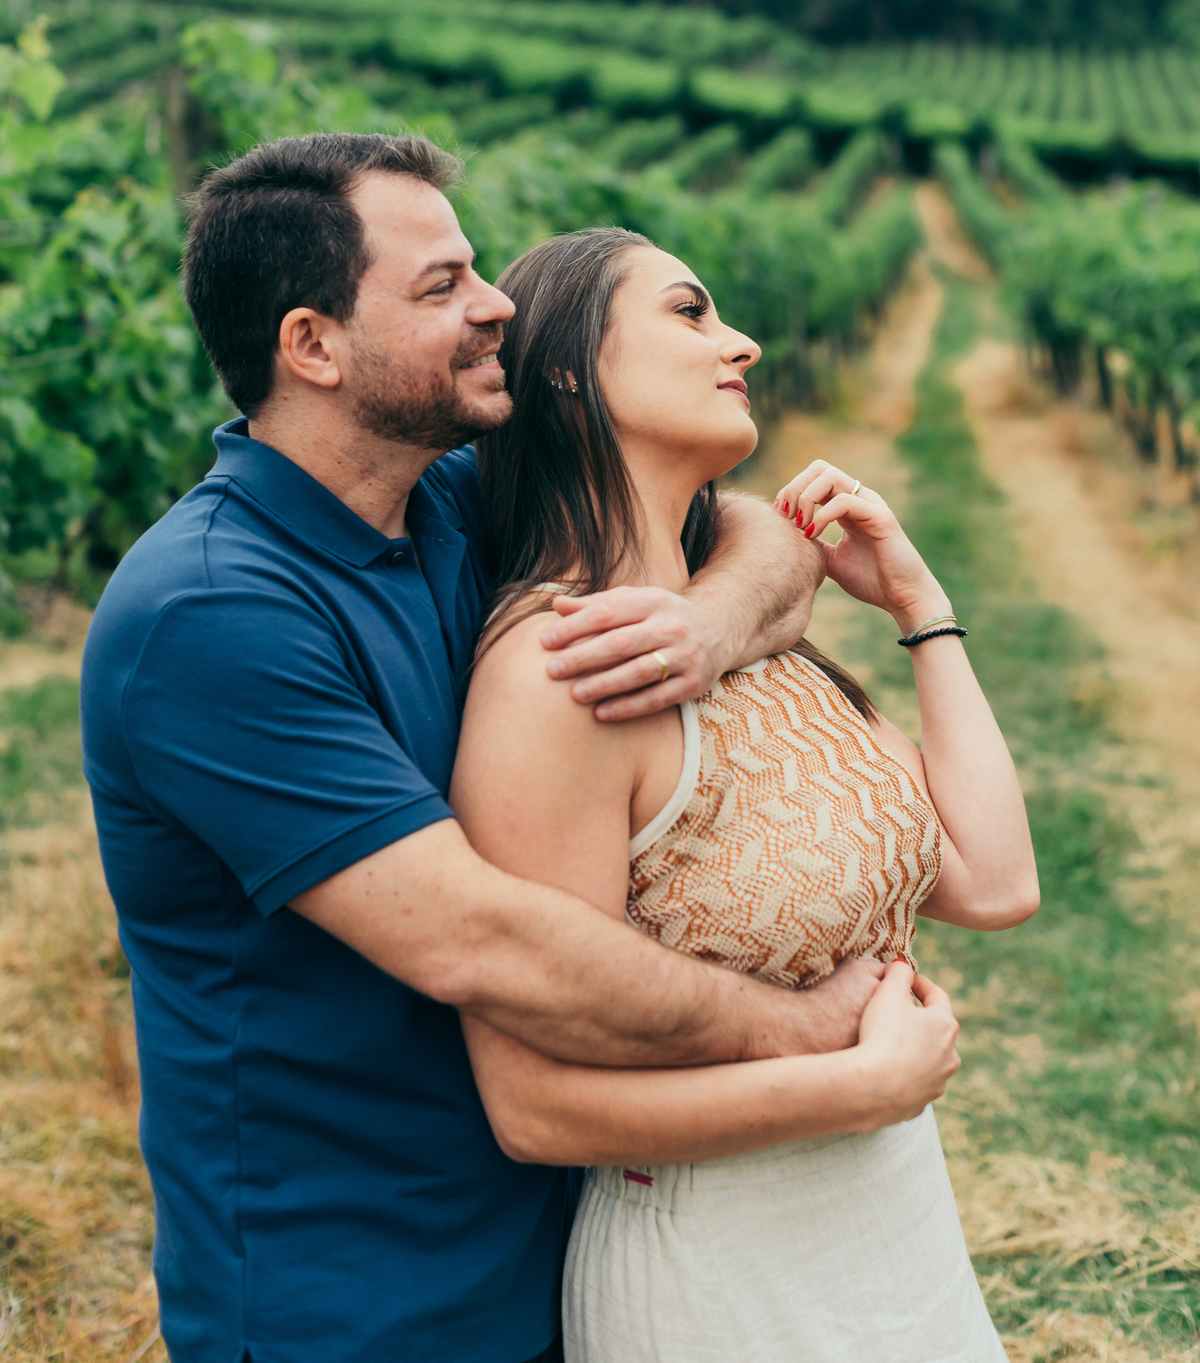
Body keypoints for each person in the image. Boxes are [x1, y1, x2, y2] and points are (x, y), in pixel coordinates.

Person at [80, 133, 920, 1363]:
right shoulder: (210, 613)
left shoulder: (450, 504)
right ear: (309, 345)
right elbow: (477, 939)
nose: (499, 307)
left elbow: (755, 526)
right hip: (354, 1299)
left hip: (546, 1247)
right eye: (441, 288)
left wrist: (703, 624)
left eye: (477, 270)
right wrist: (808, 1035)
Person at [452, 226, 1041, 1362]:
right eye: (689, 313)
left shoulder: (755, 629)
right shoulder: (561, 671)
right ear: (569, 364)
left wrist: (921, 607)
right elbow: (533, 1108)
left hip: (894, 1212)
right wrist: (855, 1087)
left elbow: (994, 879)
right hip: (718, 1264)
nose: (745, 341)